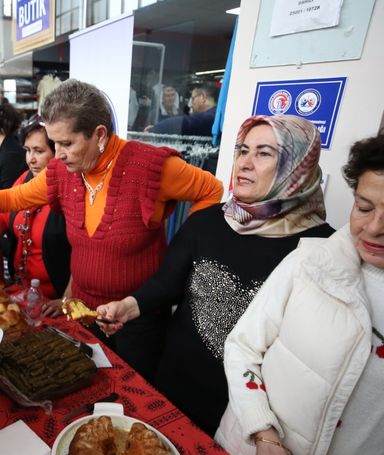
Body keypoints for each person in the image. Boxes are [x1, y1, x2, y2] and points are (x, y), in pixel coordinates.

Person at [216, 118, 384, 455]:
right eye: (363, 207)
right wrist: (263, 434)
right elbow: (243, 346)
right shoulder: (312, 262)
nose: (374, 228)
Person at [0, 79, 223, 379]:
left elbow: (212, 190)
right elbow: (16, 196)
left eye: (67, 143)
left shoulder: (149, 167)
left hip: (137, 319)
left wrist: (179, 260)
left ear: (99, 134)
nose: (59, 153)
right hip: (82, 311)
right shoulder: (63, 172)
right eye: (54, 143)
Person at [96, 115, 333, 434]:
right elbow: (168, 283)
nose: (245, 163)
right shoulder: (206, 222)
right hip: (173, 385)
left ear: (298, 166)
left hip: (244, 417)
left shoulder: (320, 250)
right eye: (242, 150)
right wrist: (129, 305)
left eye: (264, 153)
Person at [0, 115, 71, 314]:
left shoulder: (68, 191)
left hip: (53, 299)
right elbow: (1, 216)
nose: (30, 159)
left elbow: (83, 253)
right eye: (27, 151)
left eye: (39, 151)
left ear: (58, 152)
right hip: (22, 292)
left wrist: (66, 300)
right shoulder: (25, 178)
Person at [150, 83, 218, 137]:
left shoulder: (210, 117)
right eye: (167, 96)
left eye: (193, 99)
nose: (191, 104)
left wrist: (154, 129)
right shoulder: (216, 115)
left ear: (203, 97)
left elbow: (183, 122)